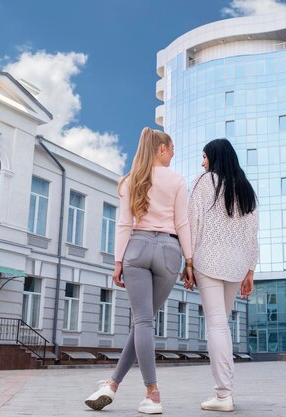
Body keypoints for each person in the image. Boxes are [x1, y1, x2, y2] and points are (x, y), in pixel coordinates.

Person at [85, 127, 193, 414]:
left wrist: (118, 261)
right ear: (160, 149)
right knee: (144, 323)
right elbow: (183, 224)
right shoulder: (178, 180)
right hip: (170, 252)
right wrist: (190, 261)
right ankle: (139, 391)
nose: (173, 154)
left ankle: (122, 386)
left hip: (137, 248)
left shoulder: (130, 180)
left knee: (142, 322)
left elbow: (123, 224)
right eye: (171, 149)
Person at [183, 138, 258, 412]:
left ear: (214, 157)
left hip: (208, 261)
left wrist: (188, 262)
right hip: (237, 266)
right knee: (221, 324)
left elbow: (192, 223)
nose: (202, 163)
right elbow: (253, 235)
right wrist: (250, 270)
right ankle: (225, 391)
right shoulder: (246, 188)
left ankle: (223, 394)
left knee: (215, 325)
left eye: (204, 157)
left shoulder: (204, 182)